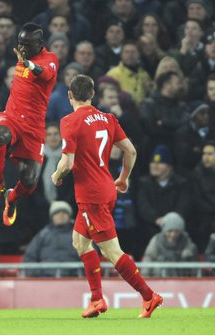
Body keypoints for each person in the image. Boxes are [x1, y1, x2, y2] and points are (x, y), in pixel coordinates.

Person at [51, 74, 162, 319]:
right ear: (92, 95)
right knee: (80, 242)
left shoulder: (69, 121)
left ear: (70, 96)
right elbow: (130, 150)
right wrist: (123, 178)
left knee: (112, 251)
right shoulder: (108, 119)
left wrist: (56, 175)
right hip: (107, 188)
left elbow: (67, 162)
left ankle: (148, 296)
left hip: (91, 195)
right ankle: (97, 299)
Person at [0, 22, 58, 227]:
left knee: (29, 181)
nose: (23, 48)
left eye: (27, 44)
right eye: (20, 43)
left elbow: (45, 74)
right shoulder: (22, 56)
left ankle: (12, 198)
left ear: (40, 43)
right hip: (12, 117)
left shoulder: (49, 59)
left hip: (33, 128)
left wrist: (29, 65)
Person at [23, 201, 79, 277]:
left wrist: (81, 273)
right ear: (52, 217)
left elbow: (91, 255)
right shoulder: (42, 235)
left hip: (75, 279)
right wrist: (38, 274)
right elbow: (29, 257)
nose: (61, 214)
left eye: (64, 212)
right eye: (57, 212)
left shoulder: (79, 235)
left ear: (69, 216)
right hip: (45, 280)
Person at [142, 212, 198, 277]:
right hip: (159, 280)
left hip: (182, 281)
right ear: (164, 230)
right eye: (170, 231)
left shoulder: (187, 243)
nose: (173, 234)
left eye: (176, 231)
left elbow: (194, 266)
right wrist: (145, 278)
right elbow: (148, 259)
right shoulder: (156, 241)